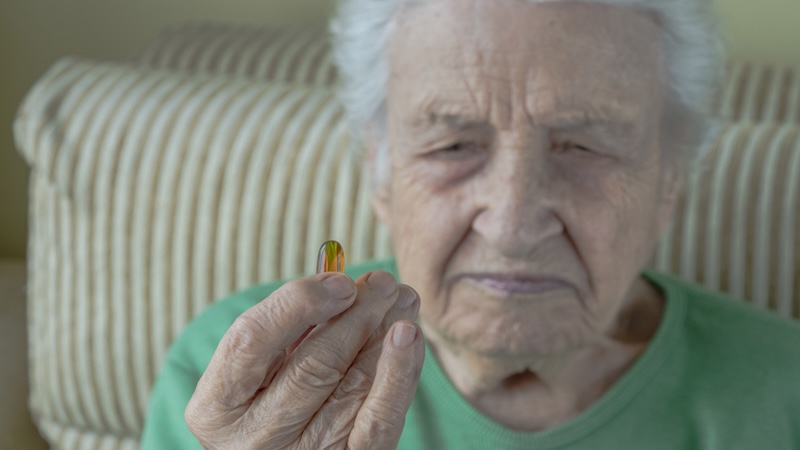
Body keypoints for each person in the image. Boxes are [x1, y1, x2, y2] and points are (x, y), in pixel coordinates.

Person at [141, 0, 800, 448]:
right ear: (381, 173)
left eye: (584, 146)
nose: (512, 225)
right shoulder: (247, 374)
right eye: (453, 145)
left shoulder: (784, 391)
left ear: (671, 181)